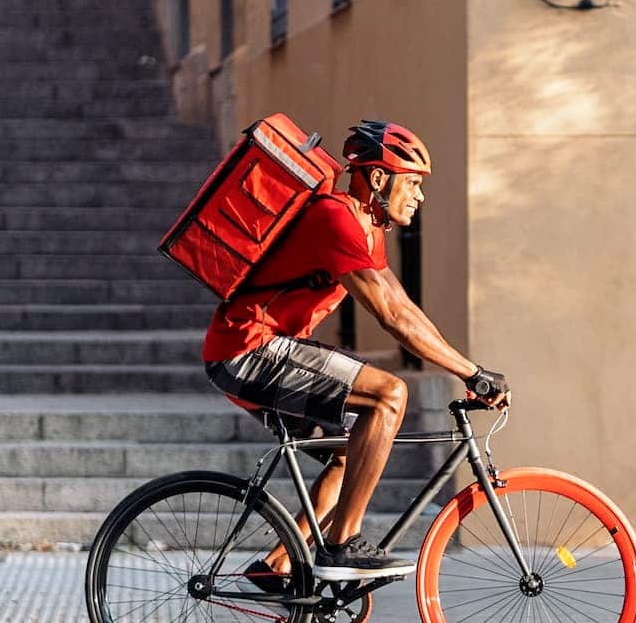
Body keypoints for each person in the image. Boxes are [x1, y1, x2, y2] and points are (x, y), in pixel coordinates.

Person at [200, 119, 508, 585]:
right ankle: (343, 545)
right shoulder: (335, 218)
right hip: (248, 347)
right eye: (413, 183)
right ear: (379, 179)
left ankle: (277, 566)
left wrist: (471, 370)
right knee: (389, 395)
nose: (420, 196)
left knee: (349, 455)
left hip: (261, 348)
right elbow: (391, 318)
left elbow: (404, 305)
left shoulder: (367, 227)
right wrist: (471, 373)